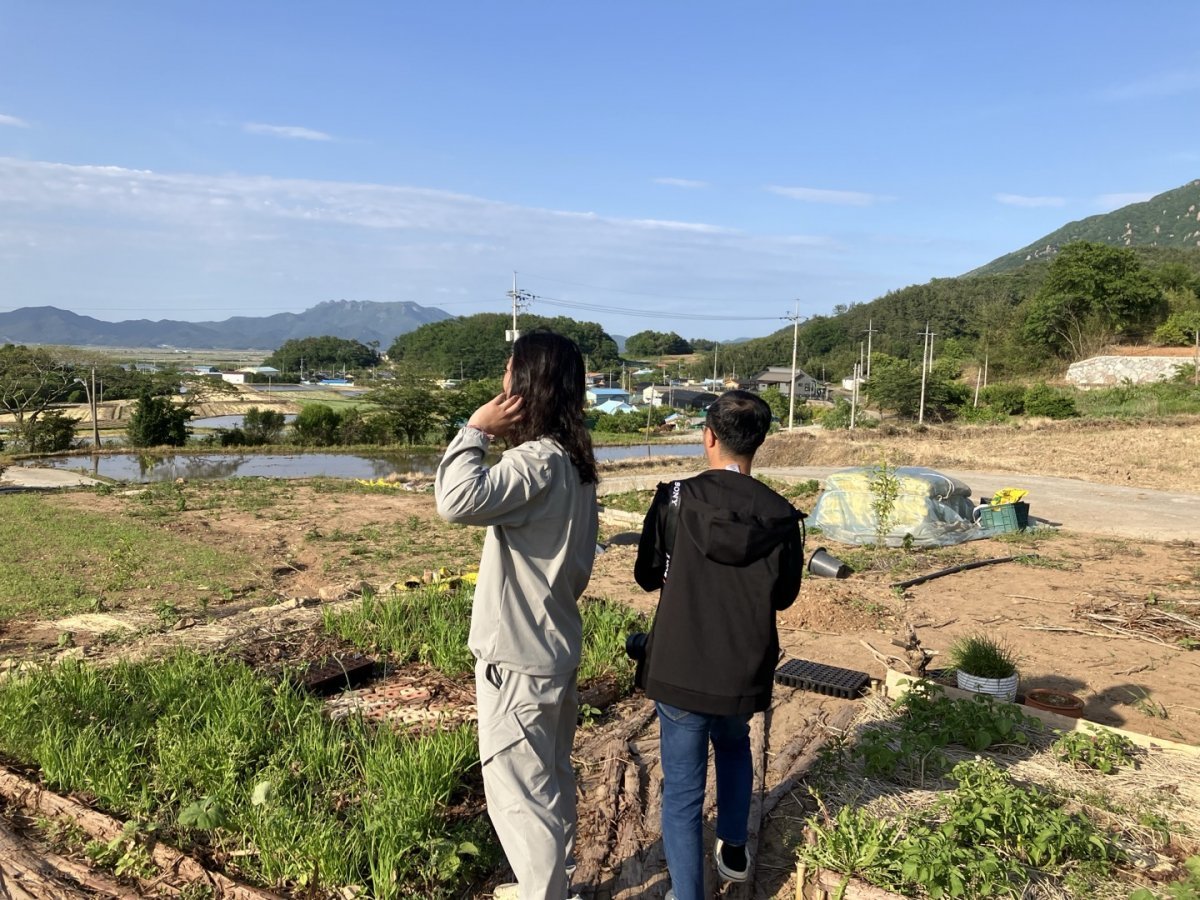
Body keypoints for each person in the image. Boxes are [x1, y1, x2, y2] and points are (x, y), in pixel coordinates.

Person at [435, 331, 598, 900]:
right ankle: (549, 883)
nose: (502, 381)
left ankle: (541, 893)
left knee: (519, 789)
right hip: (552, 645)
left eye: (509, 372)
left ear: (525, 385)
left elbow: (455, 501)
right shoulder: (576, 465)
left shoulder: (536, 462)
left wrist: (476, 430)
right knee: (548, 777)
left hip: (518, 656)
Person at [634, 390, 804, 900]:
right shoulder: (781, 516)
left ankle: (686, 894)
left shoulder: (675, 499)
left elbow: (647, 575)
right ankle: (733, 845)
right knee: (733, 745)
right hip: (742, 666)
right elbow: (784, 596)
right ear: (760, 443)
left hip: (681, 665)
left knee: (683, 792)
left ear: (708, 436)